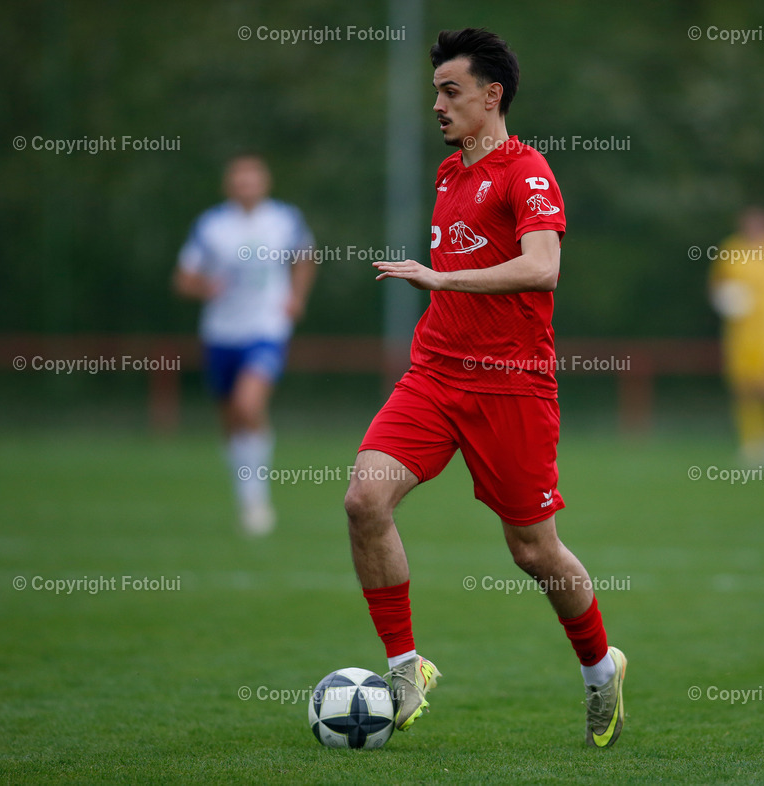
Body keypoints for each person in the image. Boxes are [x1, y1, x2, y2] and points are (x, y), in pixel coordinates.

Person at [344, 28, 626, 747]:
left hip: (512, 388)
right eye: (436, 92)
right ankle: (405, 671)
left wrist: (441, 279)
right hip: (435, 374)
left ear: (491, 95)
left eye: (451, 91)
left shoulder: (527, 172)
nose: (437, 105)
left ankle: (601, 671)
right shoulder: (449, 173)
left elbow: (542, 267)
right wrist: (442, 293)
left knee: (533, 551)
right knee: (364, 500)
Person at [174, 152, 316, 536]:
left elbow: (305, 258)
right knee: (229, 419)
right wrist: (205, 286)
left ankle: (256, 502)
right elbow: (183, 278)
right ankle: (245, 493)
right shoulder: (211, 225)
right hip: (221, 333)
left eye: (252, 179)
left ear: (264, 183)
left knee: (248, 405)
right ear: (229, 185)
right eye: (239, 179)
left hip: (266, 329)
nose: (245, 186)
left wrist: (296, 297)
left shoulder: (284, 219)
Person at [709, 207, 764, 461]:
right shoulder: (731, 249)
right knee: (743, 386)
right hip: (740, 332)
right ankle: (752, 442)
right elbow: (717, 284)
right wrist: (725, 299)